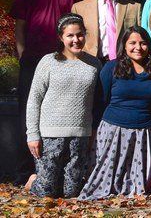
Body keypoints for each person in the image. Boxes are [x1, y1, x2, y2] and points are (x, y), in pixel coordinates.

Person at [11, 0, 84, 183]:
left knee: (58, 114)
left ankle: (53, 170)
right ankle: (26, 172)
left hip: (62, 62)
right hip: (33, 60)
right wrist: (22, 55)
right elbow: (19, 26)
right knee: (27, 114)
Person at [79, 26, 151, 199]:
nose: (138, 48)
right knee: (106, 181)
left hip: (146, 131)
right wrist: (93, 132)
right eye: (132, 43)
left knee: (142, 188)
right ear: (124, 45)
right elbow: (100, 101)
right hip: (114, 131)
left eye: (143, 43)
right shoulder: (112, 67)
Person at [25, 13, 102, 198]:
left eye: (80, 34)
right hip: (50, 135)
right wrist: (32, 135)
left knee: (71, 192)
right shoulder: (48, 62)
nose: (76, 40)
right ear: (61, 37)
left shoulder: (94, 64)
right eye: (70, 35)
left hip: (80, 135)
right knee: (46, 192)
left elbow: (97, 102)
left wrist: (92, 132)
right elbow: (34, 99)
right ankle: (34, 180)